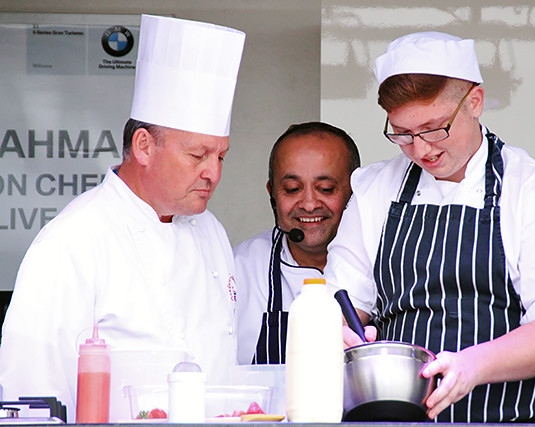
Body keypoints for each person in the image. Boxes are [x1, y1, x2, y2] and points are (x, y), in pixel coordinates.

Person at [325, 32, 535, 423]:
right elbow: (341, 301)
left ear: (475, 102)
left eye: (435, 128)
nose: (421, 149)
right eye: (402, 134)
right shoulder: (374, 189)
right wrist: (339, 335)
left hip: (518, 421)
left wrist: (472, 366)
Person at [0, 14, 245, 421]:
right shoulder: (74, 241)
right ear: (144, 146)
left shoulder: (211, 232)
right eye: (197, 155)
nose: (213, 173)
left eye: (221, 156)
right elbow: (30, 399)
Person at [234, 122, 360, 365]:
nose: (310, 204)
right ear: (272, 193)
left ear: (354, 191)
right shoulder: (239, 270)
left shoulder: (385, 264)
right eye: (292, 189)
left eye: (326, 188)